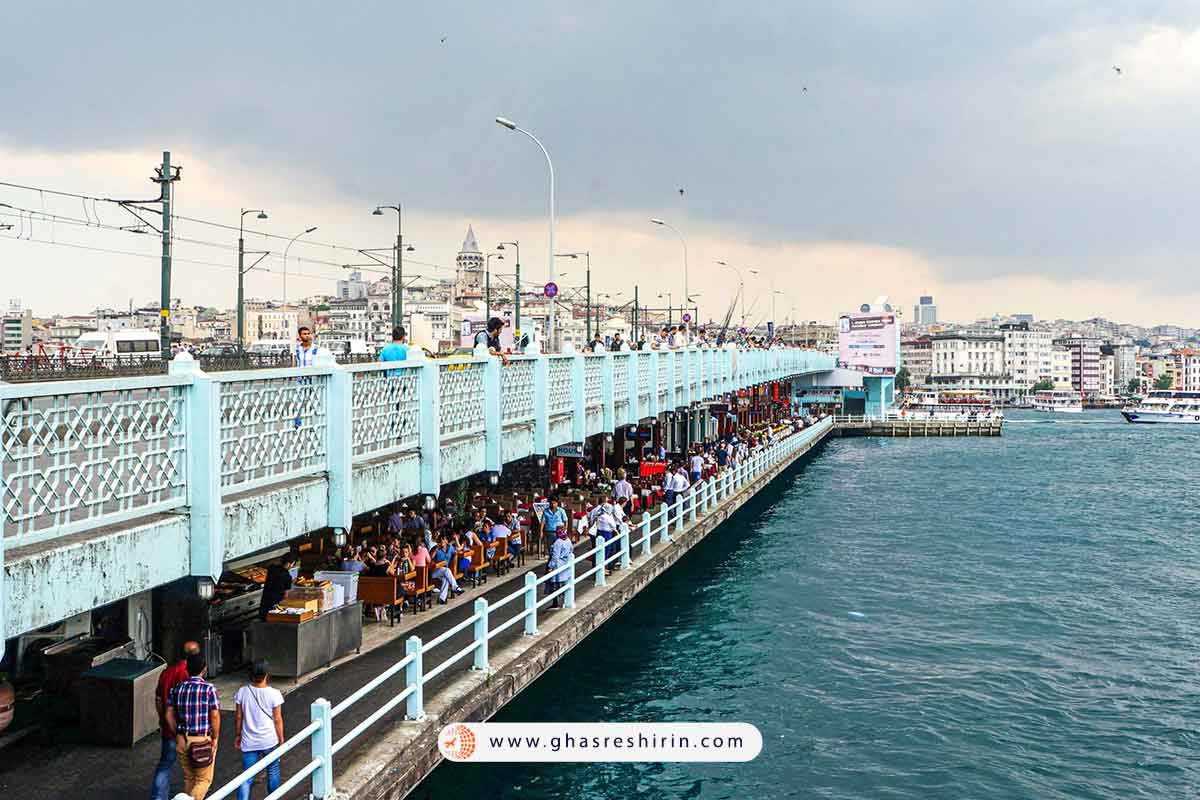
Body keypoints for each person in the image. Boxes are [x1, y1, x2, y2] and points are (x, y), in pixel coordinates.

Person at [165, 653, 221, 800]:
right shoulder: (209, 689)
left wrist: (177, 732)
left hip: (182, 739)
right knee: (203, 780)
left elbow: (168, 715)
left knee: (189, 778)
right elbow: (214, 715)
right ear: (204, 669)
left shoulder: (177, 689)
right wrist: (215, 738)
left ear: (187, 669)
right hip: (202, 739)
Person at [150, 641, 200, 800]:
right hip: (188, 730)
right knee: (196, 772)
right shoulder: (189, 674)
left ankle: (158, 797)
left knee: (165, 765)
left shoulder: (167, 672)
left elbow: (158, 699)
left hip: (168, 728)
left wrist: (162, 720)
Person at [233, 659, 284, 800]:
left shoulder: (242, 692)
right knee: (273, 771)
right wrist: (281, 738)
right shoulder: (275, 694)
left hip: (249, 741)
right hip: (269, 740)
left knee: (247, 776)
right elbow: (278, 720)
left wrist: (238, 735)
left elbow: (238, 717)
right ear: (267, 674)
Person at [258, 553, 297, 619]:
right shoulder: (287, 577)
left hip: (265, 602)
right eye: (293, 564)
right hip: (275, 605)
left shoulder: (272, 569)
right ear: (290, 564)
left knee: (263, 619)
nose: (292, 566)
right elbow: (286, 595)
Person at [546, 528, 573, 609]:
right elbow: (571, 550)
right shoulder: (568, 540)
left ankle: (555, 603)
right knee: (563, 583)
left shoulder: (558, 542)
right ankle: (565, 601)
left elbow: (555, 556)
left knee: (553, 585)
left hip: (557, 565)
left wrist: (550, 566)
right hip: (565, 564)